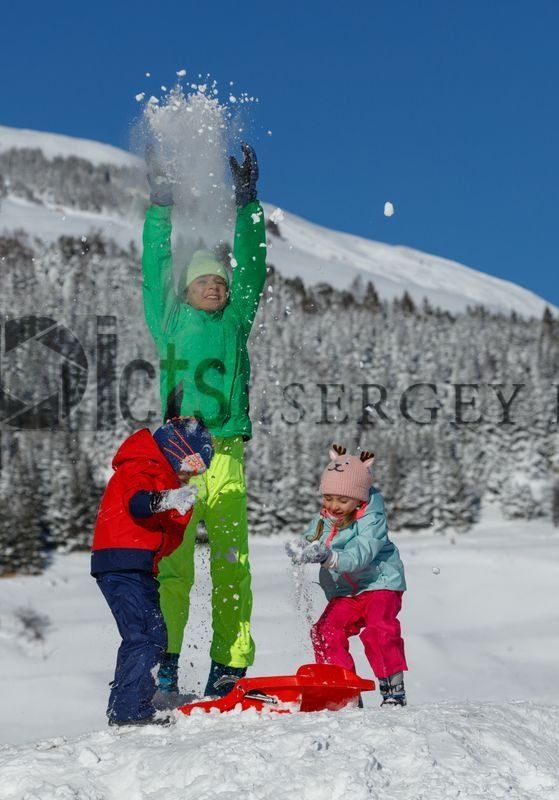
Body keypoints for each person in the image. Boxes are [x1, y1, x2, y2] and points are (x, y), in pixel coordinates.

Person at [141, 142, 267, 697]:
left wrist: (248, 205)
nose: (214, 287)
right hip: (178, 454)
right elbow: (155, 264)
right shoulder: (168, 318)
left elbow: (254, 267)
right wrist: (160, 205)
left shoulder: (237, 318)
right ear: (186, 289)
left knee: (231, 560)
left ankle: (229, 664)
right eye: (203, 281)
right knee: (173, 563)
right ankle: (166, 658)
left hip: (228, 452)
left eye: (219, 281)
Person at [90, 404, 215, 725]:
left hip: (138, 565)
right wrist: (167, 500)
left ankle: (126, 703)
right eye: (186, 470)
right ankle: (129, 711)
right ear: (175, 454)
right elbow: (137, 503)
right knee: (144, 637)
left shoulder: (160, 475)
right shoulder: (141, 465)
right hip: (122, 561)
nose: (186, 478)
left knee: (153, 634)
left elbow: (167, 539)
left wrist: (179, 512)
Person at [290, 445, 409, 706]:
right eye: (328, 498)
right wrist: (302, 549)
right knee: (324, 631)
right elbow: (313, 538)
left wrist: (331, 558)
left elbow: (362, 553)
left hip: (380, 584)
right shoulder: (325, 517)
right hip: (347, 592)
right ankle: (344, 690)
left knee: (378, 630)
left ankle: (393, 690)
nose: (334, 506)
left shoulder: (372, 517)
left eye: (343, 500)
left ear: (360, 499)